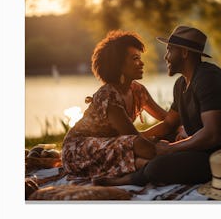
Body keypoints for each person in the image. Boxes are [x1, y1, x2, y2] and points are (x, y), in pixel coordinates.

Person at [94, 25, 221, 186]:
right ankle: (136, 166)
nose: (166, 57)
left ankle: (129, 179)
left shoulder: (208, 78)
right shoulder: (181, 84)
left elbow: (215, 134)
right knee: (156, 142)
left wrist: (172, 149)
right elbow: (169, 123)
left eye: (169, 50)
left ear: (184, 52)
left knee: (157, 166)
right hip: (204, 148)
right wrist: (134, 141)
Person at [61, 30, 167, 182]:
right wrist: (161, 144)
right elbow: (132, 137)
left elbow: (166, 118)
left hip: (115, 146)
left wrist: (179, 130)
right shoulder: (108, 95)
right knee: (142, 147)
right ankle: (140, 171)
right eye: (135, 58)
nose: (142, 63)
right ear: (119, 65)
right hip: (79, 151)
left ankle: (137, 172)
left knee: (149, 150)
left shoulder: (138, 90)